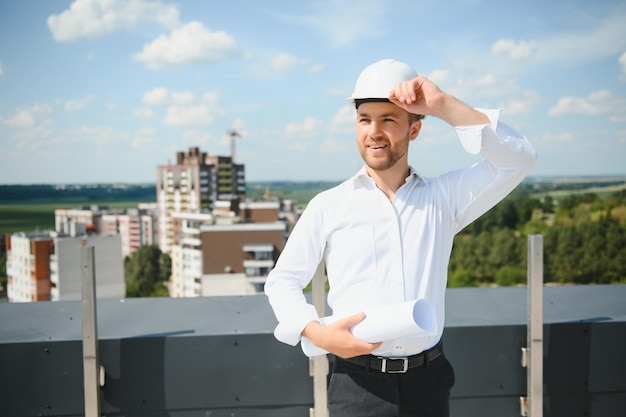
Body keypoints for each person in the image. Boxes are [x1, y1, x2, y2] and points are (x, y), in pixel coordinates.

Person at [264, 58, 537, 416]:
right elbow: (282, 281)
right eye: (364, 119)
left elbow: (518, 158)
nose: (373, 131)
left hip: (429, 382)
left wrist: (443, 105)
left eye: (388, 119)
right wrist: (315, 332)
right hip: (357, 385)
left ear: (414, 129)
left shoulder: (444, 198)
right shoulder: (328, 205)